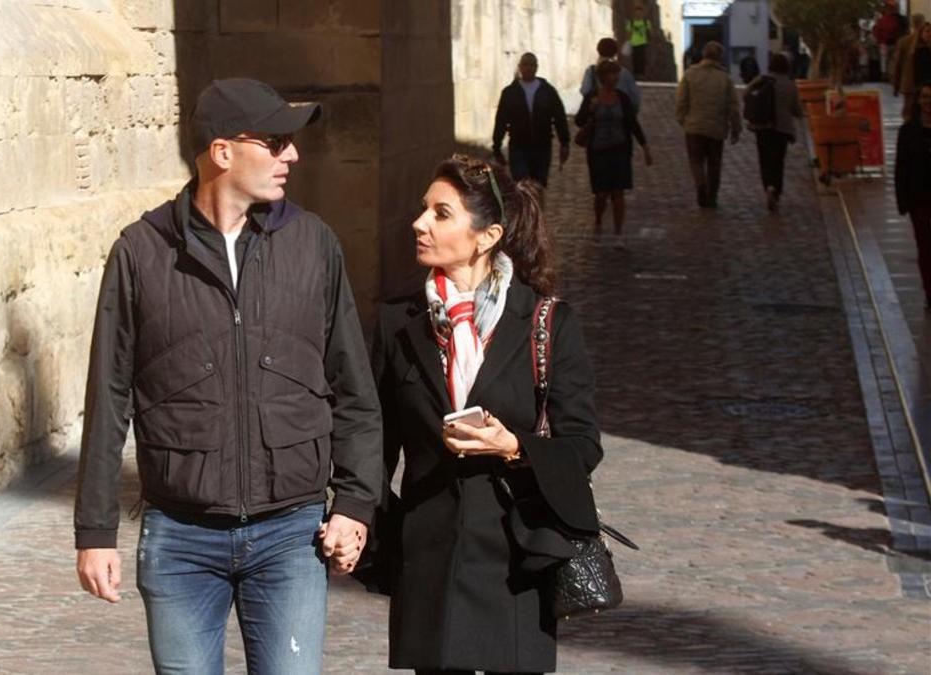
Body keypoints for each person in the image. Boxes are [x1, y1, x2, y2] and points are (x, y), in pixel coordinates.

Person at [73, 77, 383, 674]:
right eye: (274, 141)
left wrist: (355, 503)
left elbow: (354, 388)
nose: (292, 154)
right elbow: (109, 397)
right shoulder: (142, 252)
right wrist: (95, 530)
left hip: (291, 535)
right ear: (222, 152)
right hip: (179, 537)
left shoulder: (313, 244)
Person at [371, 154, 604, 674]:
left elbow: (583, 444)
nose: (419, 223)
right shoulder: (397, 321)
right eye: (423, 209)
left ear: (487, 234)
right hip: (431, 561)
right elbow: (374, 441)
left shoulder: (548, 322)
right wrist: (374, 529)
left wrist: (515, 447)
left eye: (441, 213)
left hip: (517, 559)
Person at [576, 59, 653, 246]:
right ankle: (598, 221)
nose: (615, 78)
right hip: (598, 150)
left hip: (620, 150)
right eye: (612, 74)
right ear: (603, 77)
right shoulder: (592, 97)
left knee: (619, 192)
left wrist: (645, 146)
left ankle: (618, 232)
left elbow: (632, 123)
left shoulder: (622, 98)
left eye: (616, 74)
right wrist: (591, 110)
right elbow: (579, 120)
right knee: (601, 194)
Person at [676, 41, 741, 209]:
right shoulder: (724, 78)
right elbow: (733, 105)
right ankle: (712, 196)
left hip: (694, 127)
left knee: (696, 160)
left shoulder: (690, 74)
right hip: (716, 128)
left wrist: (683, 120)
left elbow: (681, 101)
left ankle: (700, 185)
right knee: (714, 163)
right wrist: (736, 128)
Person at [492, 52, 571, 187]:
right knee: (521, 185)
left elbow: (559, 117)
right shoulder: (510, 92)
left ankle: (538, 208)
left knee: (538, 185)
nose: (528, 68)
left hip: (542, 146)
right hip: (518, 146)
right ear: (520, 67)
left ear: (536, 67)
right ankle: (526, 208)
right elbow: (501, 119)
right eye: (525, 64)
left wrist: (565, 142)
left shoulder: (547, 91)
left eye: (531, 65)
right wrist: (497, 146)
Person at [746, 53, 803, 212]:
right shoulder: (790, 85)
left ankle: (768, 186)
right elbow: (796, 110)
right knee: (778, 161)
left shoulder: (762, 80)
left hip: (762, 126)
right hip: (782, 129)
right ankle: (776, 190)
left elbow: (746, 94)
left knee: (764, 160)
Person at [894, 81, 931, 310]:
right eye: (925, 97)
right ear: (918, 101)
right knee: (925, 247)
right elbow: (901, 167)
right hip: (920, 197)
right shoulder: (907, 131)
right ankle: (930, 291)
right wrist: (902, 200)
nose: (928, 102)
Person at [580, 37, 643, 112]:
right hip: (620, 116)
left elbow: (585, 91)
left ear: (598, 51)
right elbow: (635, 97)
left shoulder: (591, 71)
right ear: (615, 52)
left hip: (597, 116)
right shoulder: (624, 73)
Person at [893, 14, 927, 120]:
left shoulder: (903, 41)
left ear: (912, 24)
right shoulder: (926, 41)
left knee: (908, 108)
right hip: (923, 81)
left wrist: (896, 84)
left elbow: (897, 65)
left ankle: (908, 128)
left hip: (909, 82)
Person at [626, 3, 652, 79]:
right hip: (634, 43)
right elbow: (628, 32)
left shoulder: (646, 22)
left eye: (640, 12)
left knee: (642, 59)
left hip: (643, 42)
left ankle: (642, 74)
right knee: (635, 59)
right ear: (635, 13)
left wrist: (650, 38)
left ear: (642, 13)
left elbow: (650, 32)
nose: (638, 14)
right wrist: (628, 41)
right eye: (637, 12)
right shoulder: (631, 22)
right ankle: (636, 73)